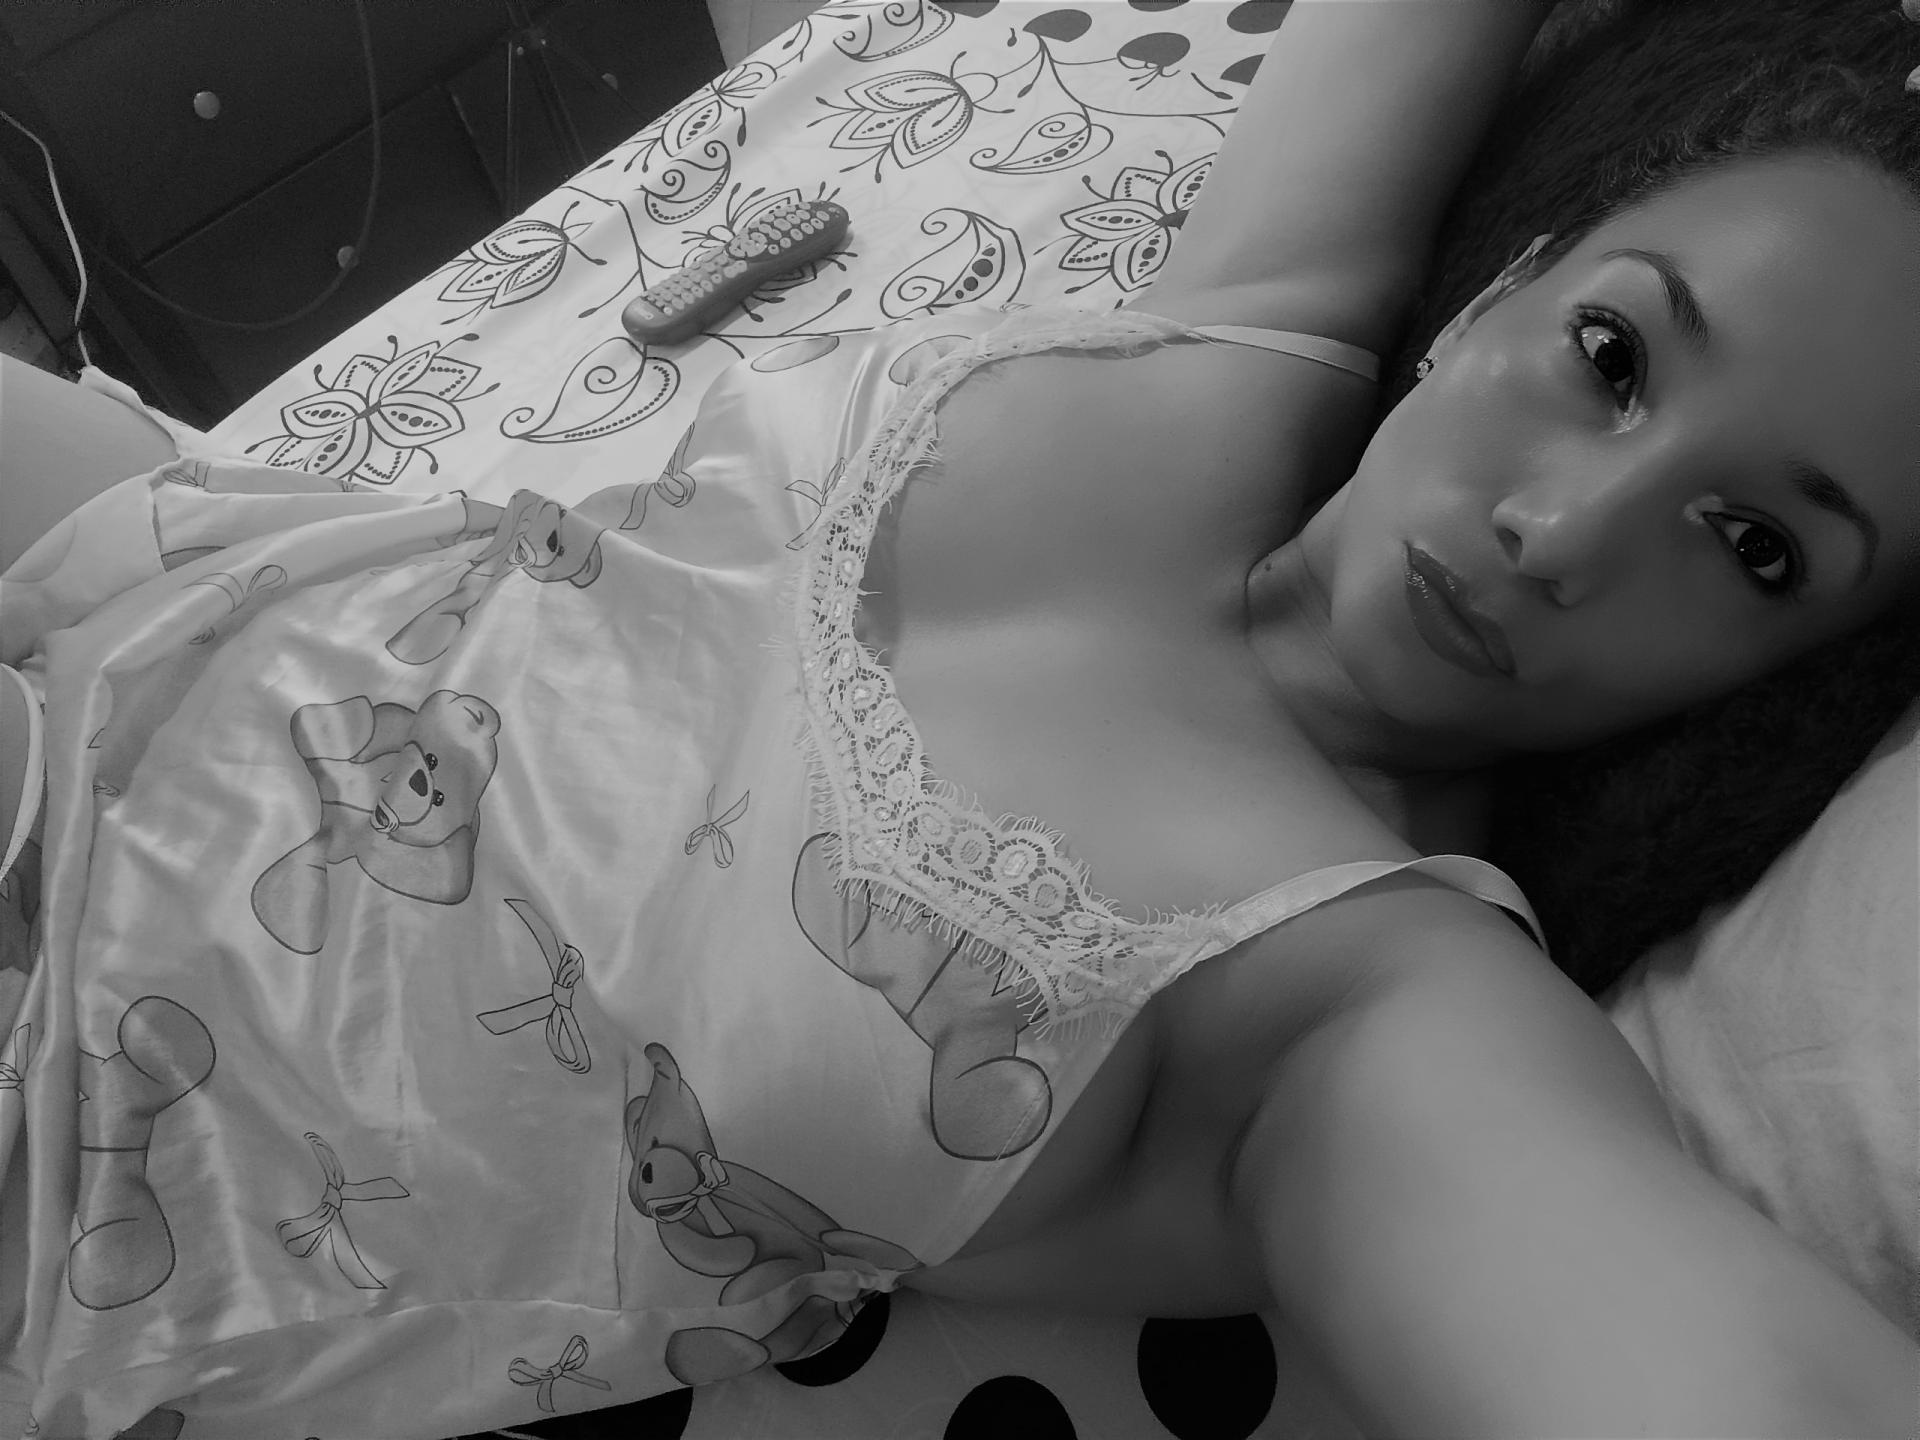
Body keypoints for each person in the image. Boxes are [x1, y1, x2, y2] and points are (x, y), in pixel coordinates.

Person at [1, 3, 1916, 1437]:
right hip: (173, 583)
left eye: (1755, 547)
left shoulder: (1359, 1006)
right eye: (1612, 355)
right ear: (1505, 286)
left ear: (1793, 671)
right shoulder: (1243, 345)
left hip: (80, 1126)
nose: (1561, 533)